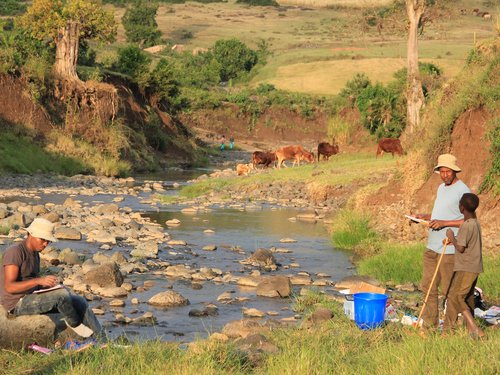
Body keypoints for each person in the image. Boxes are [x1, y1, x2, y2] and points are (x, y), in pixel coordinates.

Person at [0, 218, 104, 339]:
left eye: (48, 241)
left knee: (79, 301)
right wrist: (39, 281)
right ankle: (76, 328)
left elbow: (31, 282)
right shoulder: (15, 252)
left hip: (31, 295)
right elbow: (9, 287)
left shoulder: (35, 254)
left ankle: (102, 338)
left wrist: (48, 285)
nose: (45, 244)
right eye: (42, 239)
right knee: (61, 297)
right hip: (16, 303)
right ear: (31, 234)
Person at [413, 154, 470, 332]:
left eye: (448, 171)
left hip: (449, 247)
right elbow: (442, 214)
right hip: (432, 246)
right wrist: (425, 217)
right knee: (427, 286)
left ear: (454, 171)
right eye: (441, 171)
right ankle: (429, 325)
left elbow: (468, 220)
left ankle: (449, 329)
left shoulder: (463, 191)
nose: (444, 175)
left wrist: (444, 224)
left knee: (449, 290)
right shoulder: (440, 188)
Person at [444, 193, 484, 339]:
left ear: (461, 207)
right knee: (468, 298)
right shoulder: (475, 222)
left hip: (466, 267)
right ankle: (469, 330)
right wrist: (455, 240)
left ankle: (475, 329)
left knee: (457, 297)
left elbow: (460, 248)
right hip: (475, 266)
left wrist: (451, 237)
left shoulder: (466, 226)